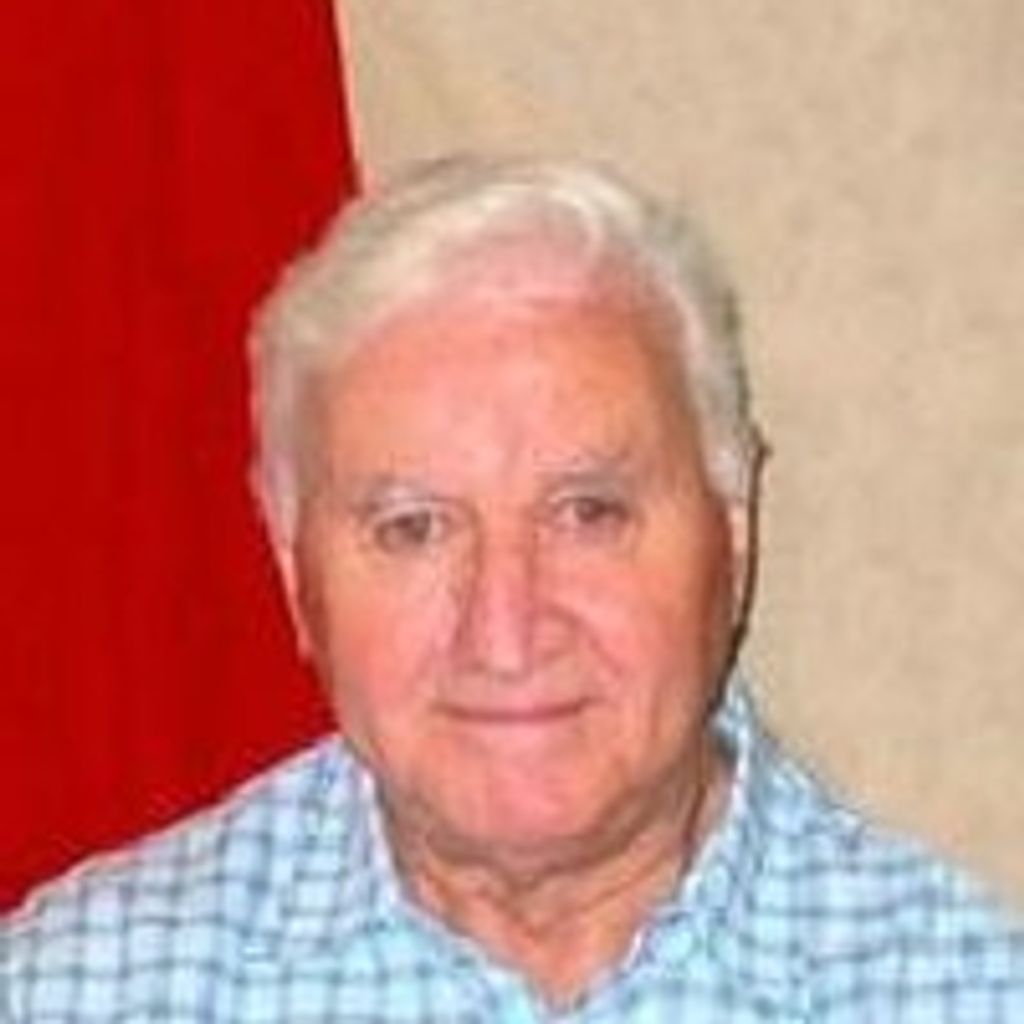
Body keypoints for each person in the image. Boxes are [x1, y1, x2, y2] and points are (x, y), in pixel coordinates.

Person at [3, 156, 1022, 1021]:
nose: (505, 630)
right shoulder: (76, 993)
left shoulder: (966, 991)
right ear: (290, 567)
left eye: (587, 512)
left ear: (735, 528)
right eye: (413, 528)